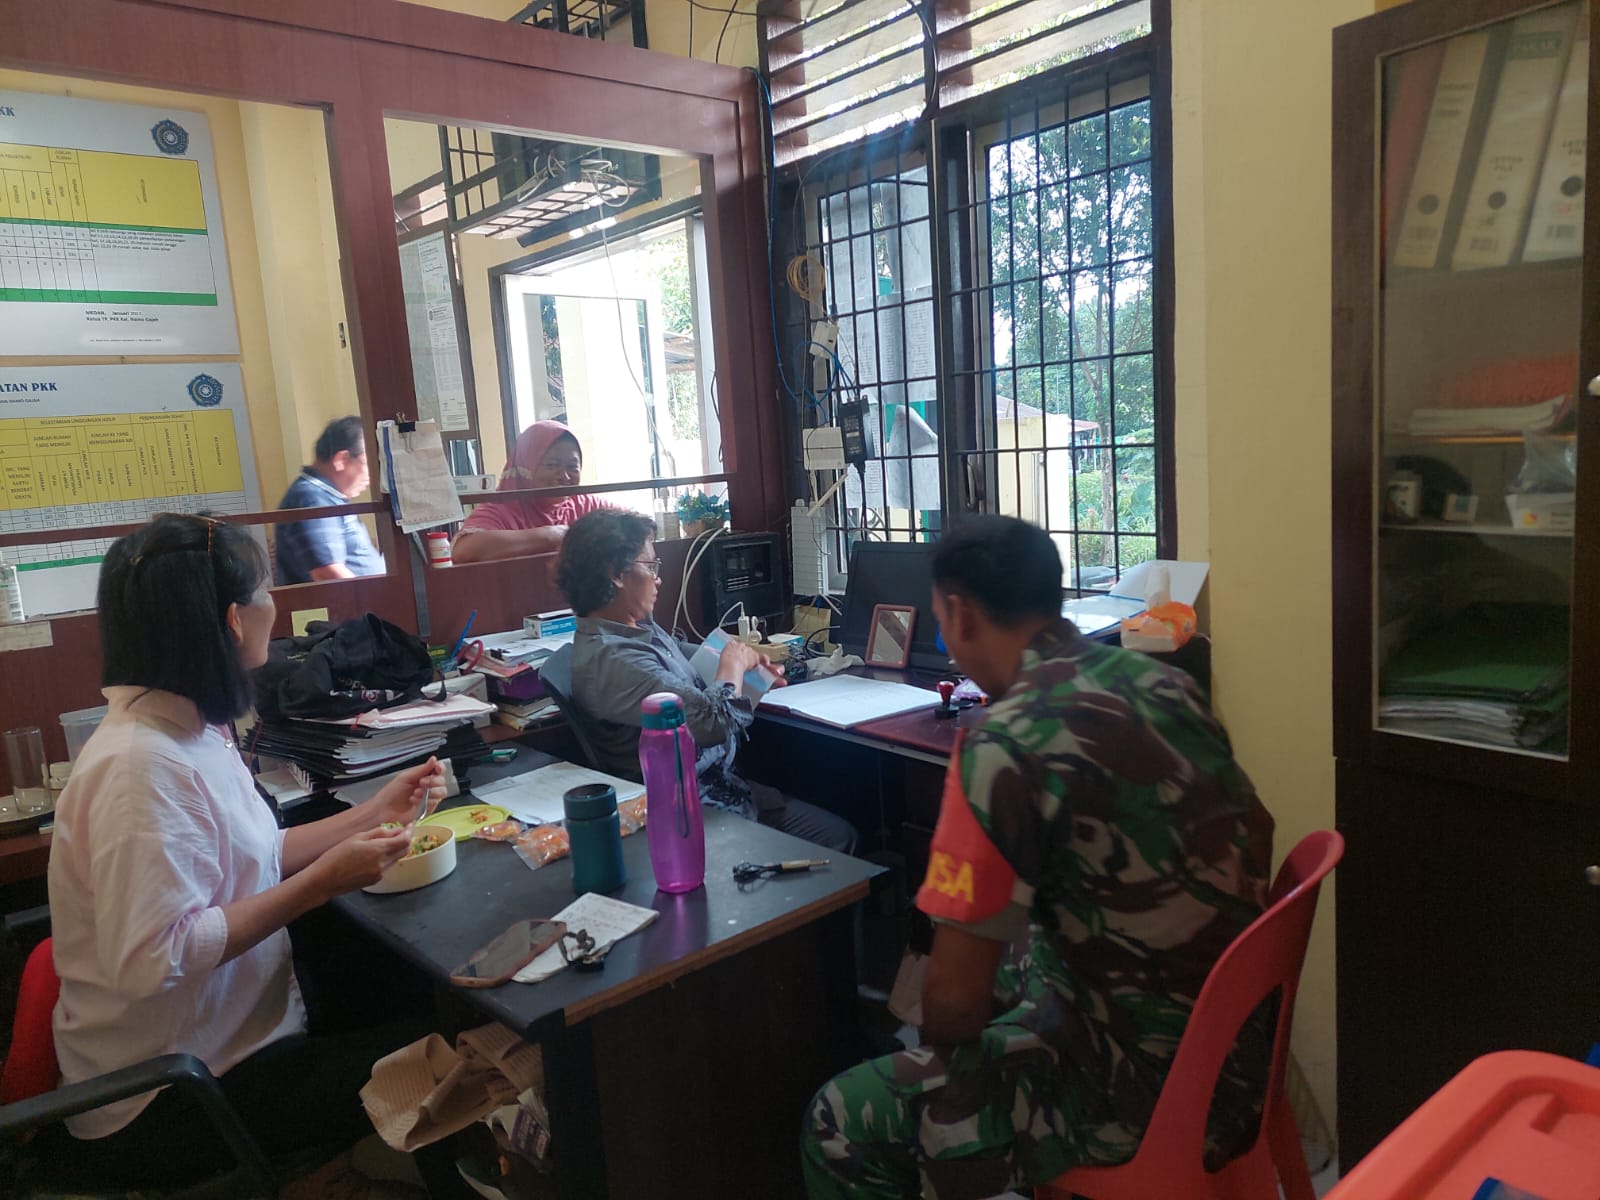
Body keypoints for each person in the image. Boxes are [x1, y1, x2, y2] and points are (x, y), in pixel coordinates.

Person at [802, 515, 1276, 1200]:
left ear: (961, 616)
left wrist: (940, 1039)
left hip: (1143, 1094)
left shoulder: (1003, 745)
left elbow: (955, 1008)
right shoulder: (1165, 685)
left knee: (838, 1119)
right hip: (1240, 1053)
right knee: (1017, 956)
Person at [48, 512, 454, 1193]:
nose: (275, 605)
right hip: (167, 1096)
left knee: (422, 994)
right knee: (444, 1051)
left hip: (233, 1031)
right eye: (265, 590)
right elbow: (158, 958)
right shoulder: (140, 768)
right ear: (234, 620)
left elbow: (257, 853)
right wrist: (322, 882)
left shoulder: (189, 728)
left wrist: (375, 812)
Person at [556, 508, 857, 854]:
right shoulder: (613, 660)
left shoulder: (635, 628)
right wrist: (732, 665)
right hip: (694, 813)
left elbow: (688, 662)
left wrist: (748, 671)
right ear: (615, 574)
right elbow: (712, 722)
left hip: (724, 785)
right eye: (650, 566)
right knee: (839, 835)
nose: (658, 579)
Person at [452, 420, 610, 564]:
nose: (565, 476)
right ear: (526, 468)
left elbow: (624, 524)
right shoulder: (501, 510)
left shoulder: (585, 504)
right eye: (552, 465)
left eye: (572, 467)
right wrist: (552, 535)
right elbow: (464, 551)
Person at [274, 416, 385, 583]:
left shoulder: (328, 496)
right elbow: (327, 573)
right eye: (368, 464)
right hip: (350, 600)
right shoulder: (311, 499)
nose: (371, 475)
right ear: (341, 460)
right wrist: (379, 596)